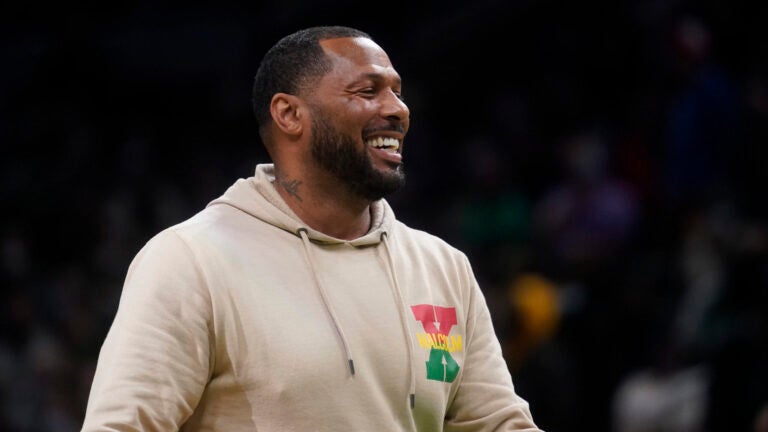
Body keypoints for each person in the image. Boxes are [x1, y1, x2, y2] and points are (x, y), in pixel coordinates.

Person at [81, 25, 543, 431]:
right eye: (368, 91)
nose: (398, 109)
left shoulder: (443, 267)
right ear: (289, 115)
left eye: (397, 91)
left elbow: (496, 423)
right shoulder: (191, 259)